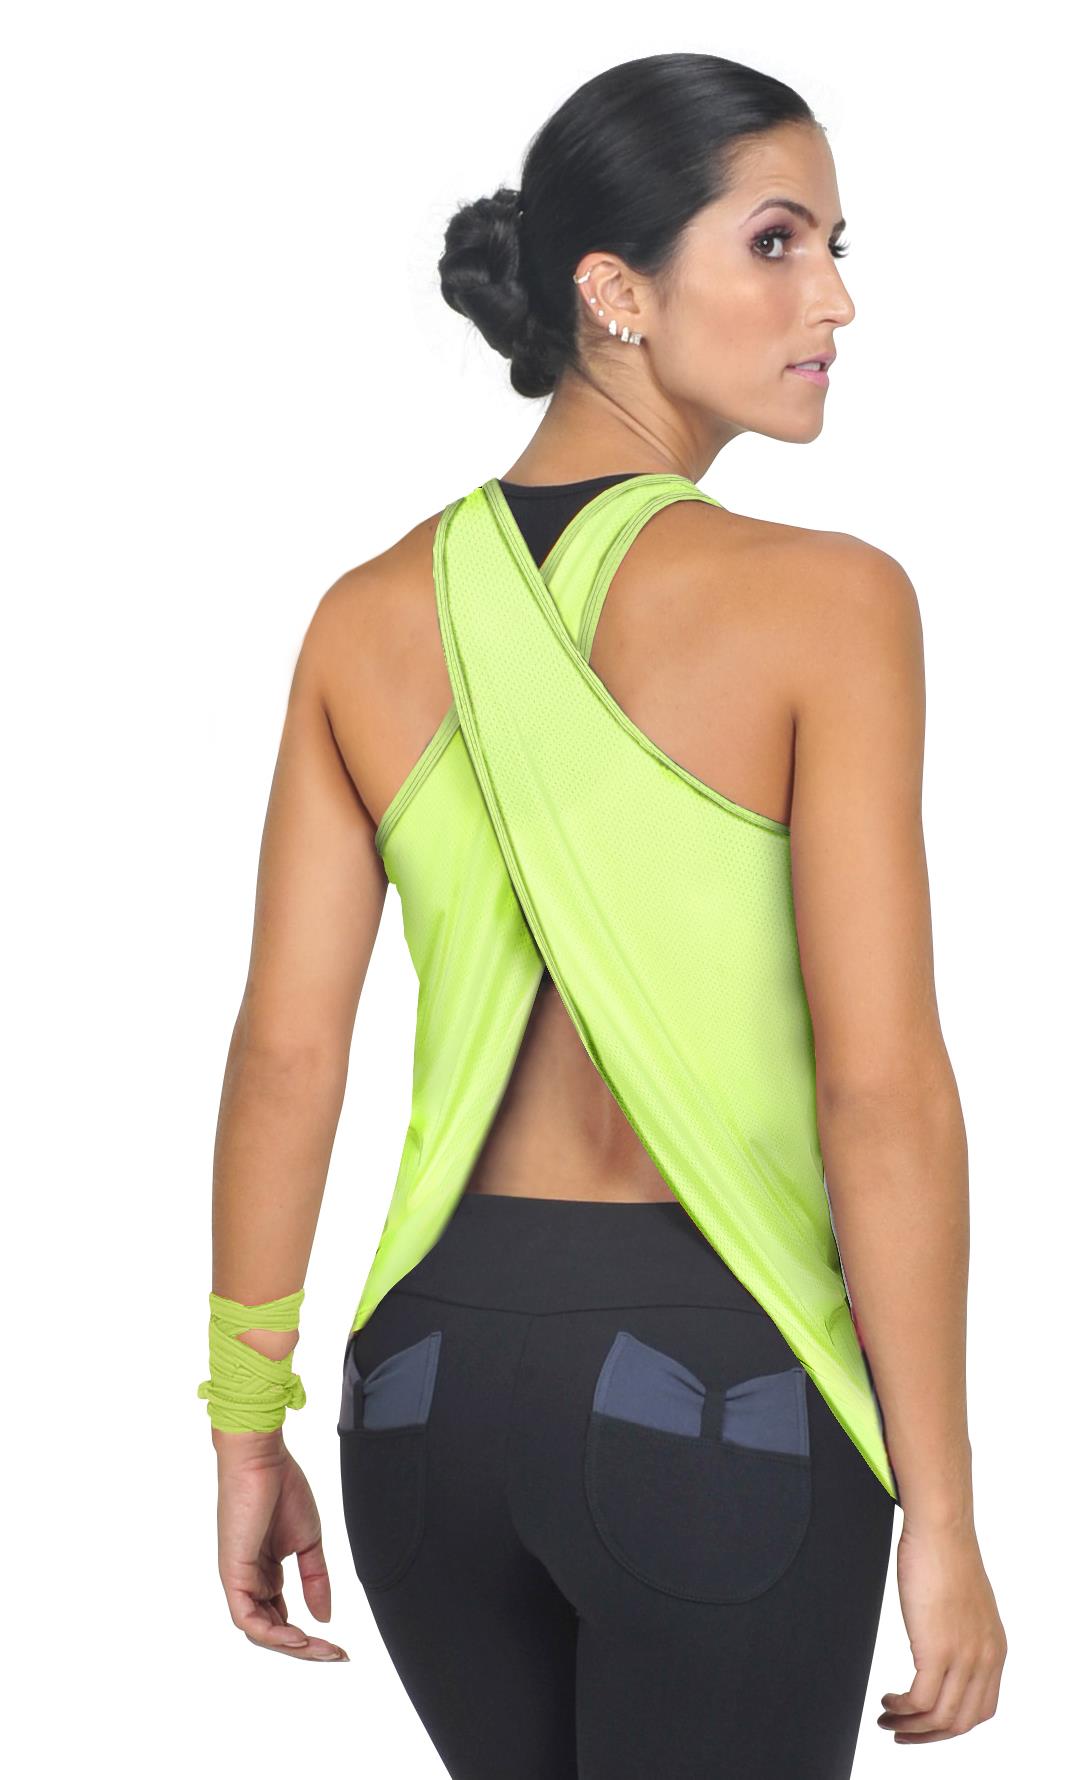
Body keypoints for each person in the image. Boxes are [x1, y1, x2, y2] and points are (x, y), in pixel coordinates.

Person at [198, 49, 1007, 1779]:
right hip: (712, 1386)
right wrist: (940, 1514)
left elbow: (284, 1055)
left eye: (835, 246)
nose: (834, 299)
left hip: (424, 1395)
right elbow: (882, 1092)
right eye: (776, 243)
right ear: (612, 292)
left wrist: (246, 1420)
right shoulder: (829, 604)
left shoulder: (361, 617)